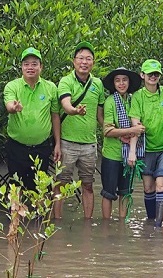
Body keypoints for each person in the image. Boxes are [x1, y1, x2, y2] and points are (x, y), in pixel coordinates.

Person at [55, 41, 105, 219]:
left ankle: (87, 223)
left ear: (93, 62)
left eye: (88, 59)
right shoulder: (66, 81)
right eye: (81, 58)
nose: (84, 62)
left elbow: (100, 116)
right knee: (61, 183)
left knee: (88, 185)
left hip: (89, 145)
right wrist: (74, 111)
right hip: (67, 143)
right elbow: (66, 105)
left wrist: (115, 131)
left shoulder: (98, 84)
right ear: (74, 61)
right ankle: (57, 222)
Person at [130, 59, 163, 227]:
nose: (153, 76)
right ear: (142, 75)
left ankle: (159, 226)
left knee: (161, 185)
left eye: (156, 74)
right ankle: (151, 221)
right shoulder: (137, 96)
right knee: (148, 187)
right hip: (146, 147)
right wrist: (132, 151)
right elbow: (135, 123)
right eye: (150, 73)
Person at [3, 47, 61, 191]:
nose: (30, 67)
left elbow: (55, 116)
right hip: (16, 147)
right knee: (15, 189)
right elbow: (9, 104)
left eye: (34, 64)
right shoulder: (12, 86)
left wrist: (58, 143)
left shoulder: (51, 88)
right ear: (21, 67)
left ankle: (40, 215)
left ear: (41, 67)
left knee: (40, 189)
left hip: (42, 147)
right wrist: (13, 108)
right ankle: (16, 214)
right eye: (26, 64)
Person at [100, 67, 144, 219]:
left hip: (130, 155)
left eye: (124, 80)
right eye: (117, 80)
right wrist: (128, 131)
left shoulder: (134, 100)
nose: (121, 83)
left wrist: (134, 130)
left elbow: (140, 125)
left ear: (129, 82)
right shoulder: (110, 101)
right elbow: (107, 130)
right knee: (108, 193)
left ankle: (121, 225)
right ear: (113, 84)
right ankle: (106, 225)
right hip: (112, 155)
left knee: (125, 192)